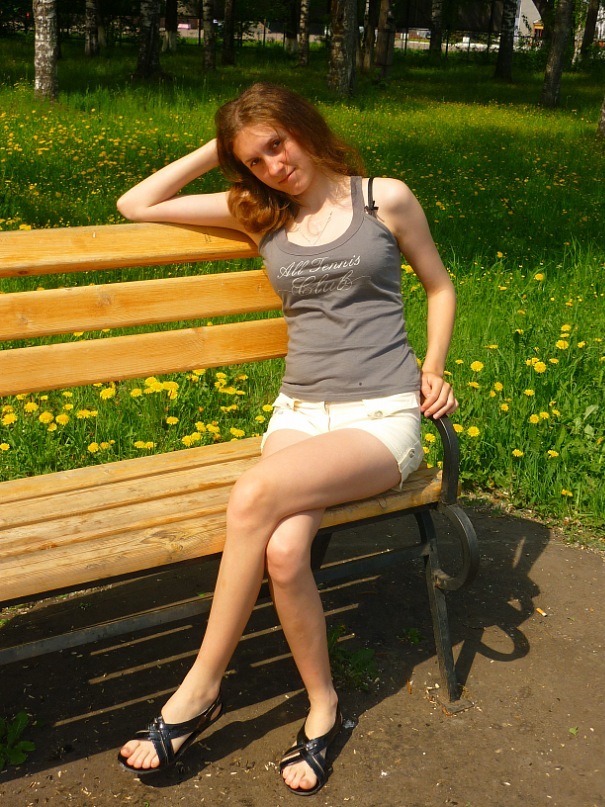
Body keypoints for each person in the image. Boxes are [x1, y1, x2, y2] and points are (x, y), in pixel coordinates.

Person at [116, 82, 458, 796]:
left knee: (253, 494)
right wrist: (220, 150)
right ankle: (324, 706)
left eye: (277, 143)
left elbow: (439, 286)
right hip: (299, 414)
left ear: (304, 127)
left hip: (380, 417)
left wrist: (432, 369)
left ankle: (200, 688)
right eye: (254, 159)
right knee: (281, 548)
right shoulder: (257, 210)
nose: (274, 165)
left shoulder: (383, 199)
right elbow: (136, 204)